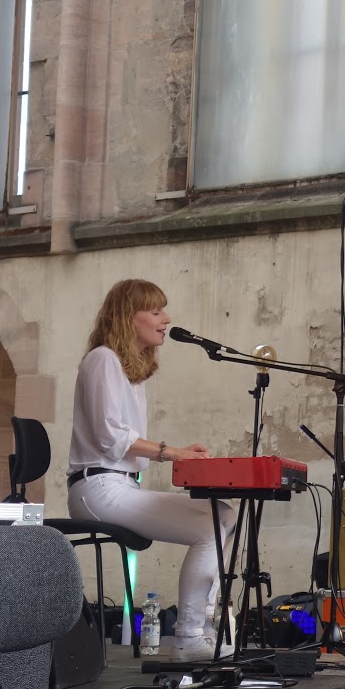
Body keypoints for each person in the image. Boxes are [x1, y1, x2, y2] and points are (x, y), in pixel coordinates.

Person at [68, 279, 229, 663]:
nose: (166, 319)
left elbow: (124, 442)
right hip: (97, 489)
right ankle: (189, 637)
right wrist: (172, 453)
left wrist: (177, 453)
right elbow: (110, 437)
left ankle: (205, 625)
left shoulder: (129, 370)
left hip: (119, 486)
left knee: (224, 515)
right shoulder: (102, 359)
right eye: (156, 311)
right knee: (211, 525)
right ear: (128, 317)